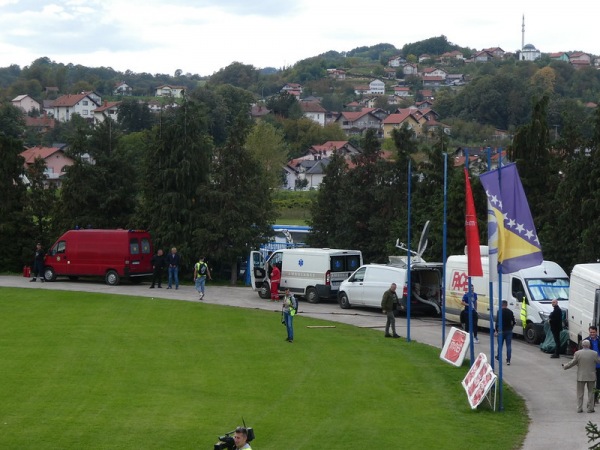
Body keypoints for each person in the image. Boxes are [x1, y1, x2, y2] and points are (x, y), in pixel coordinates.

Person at [563, 339, 600, 413]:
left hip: (581, 376)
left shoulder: (577, 353)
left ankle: (579, 408)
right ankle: (590, 408)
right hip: (591, 376)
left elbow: (573, 362)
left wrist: (565, 366)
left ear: (582, 345)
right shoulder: (594, 353)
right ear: (589, 345)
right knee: (591, 393)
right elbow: (598, 361)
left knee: (580, 393)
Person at [495, 300, 516, 365]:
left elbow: (497, 322)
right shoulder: (510, 312)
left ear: (501, 305)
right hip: (509, 330)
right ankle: (508, 360)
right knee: (508, 346)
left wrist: (496, 330)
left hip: (501, 331)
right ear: (506, 305)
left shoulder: (499, 312)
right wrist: (511, 327)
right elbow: (514, 321)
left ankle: (498, 357)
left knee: (500, 345)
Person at [584, 326, 600, 403]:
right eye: (591, 332)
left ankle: (596, 397)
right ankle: (591, 399)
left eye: (593, 332)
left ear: (596, 332)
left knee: (599, 383)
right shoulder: (586, 341)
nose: (592, 334)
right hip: (590, 366)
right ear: (589, 332)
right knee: (591, 383)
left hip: (599, 365)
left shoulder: (599, 340)